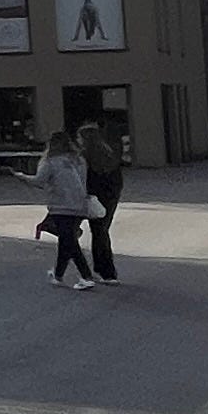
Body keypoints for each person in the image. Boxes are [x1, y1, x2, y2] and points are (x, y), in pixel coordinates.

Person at [33, 131, 99, 289]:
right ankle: (58, 275)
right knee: (66, 240)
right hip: (79, 204)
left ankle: (86, 276)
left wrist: (21, 177)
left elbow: (39, 181)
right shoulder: (79, 160)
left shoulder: (50, 161)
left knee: (69, 241)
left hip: (60, 206)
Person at [76, 114, 127, 283]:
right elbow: (117, 178)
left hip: (93, 195)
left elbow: (80, 177)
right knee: (102, 229)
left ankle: (103, 270)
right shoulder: (109, 154)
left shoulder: (84, 156)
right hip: (111, 193)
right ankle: (105, 269)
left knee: (95, 230)